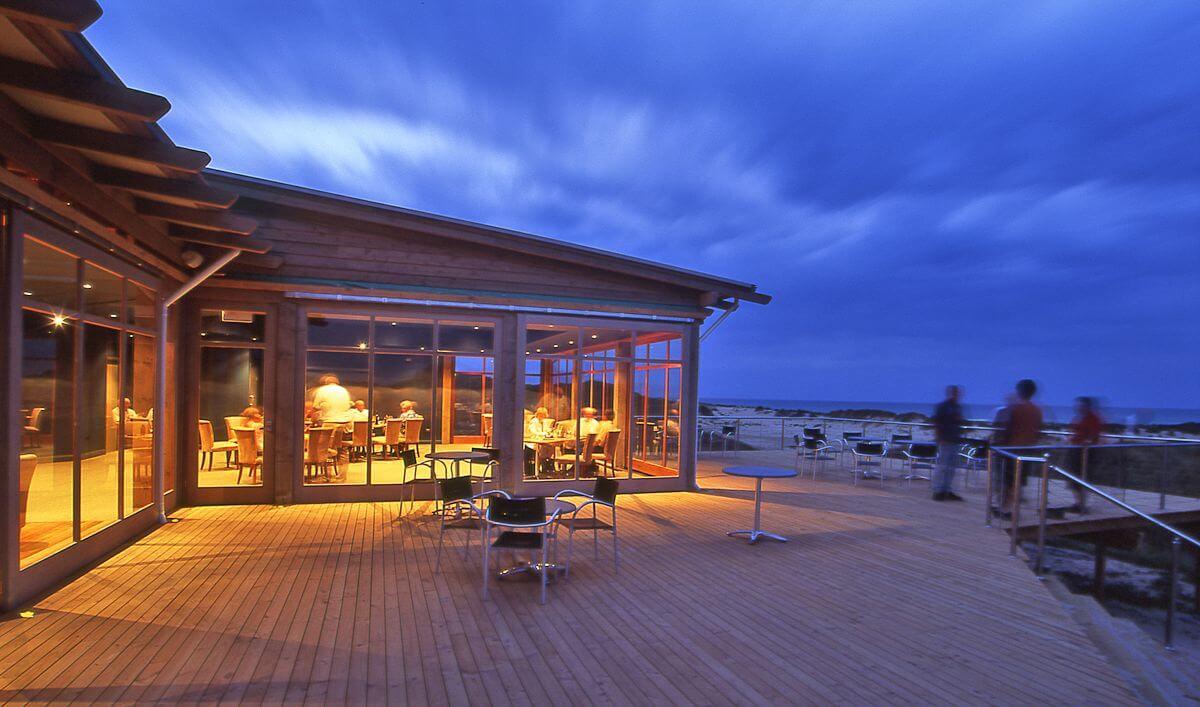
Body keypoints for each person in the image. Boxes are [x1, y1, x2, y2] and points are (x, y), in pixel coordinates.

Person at [996, 379, 1044, 516]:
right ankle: (1009, 508)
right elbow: (1037, 431)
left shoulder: (1016, 409)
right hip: (1027, 449)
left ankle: (1005, 509)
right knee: (1017, 482)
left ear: (1020, 391)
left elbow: (1007, 429)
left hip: (1012, 449)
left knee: (1008, 482)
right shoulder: (1037, 410)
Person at [1068, 396, 1103, 514]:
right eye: (1077, 405)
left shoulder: (1093, 418)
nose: (1078, 407)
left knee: (1082, 477)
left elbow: (1093, 435)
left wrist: (1086, 442)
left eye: (1081, 405)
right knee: (1073, 478)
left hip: (1086, 452)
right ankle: (1078, 503)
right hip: (1075, 450)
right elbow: (1074, 432)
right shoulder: (1077, 417)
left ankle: (1082, 504)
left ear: (1087, 406)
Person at [931, 385, 965, 502]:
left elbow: (959, 422)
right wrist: (939, 437)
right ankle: (937, 491)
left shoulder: (957, 407)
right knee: (942, 466)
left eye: (958, 393)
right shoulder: (943, 406)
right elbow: (936, 422)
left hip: (955, 440)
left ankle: (947, 490)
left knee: (952, 468)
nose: (957, 395)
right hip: (945, 440)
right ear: (950, 393)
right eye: (955, 393)